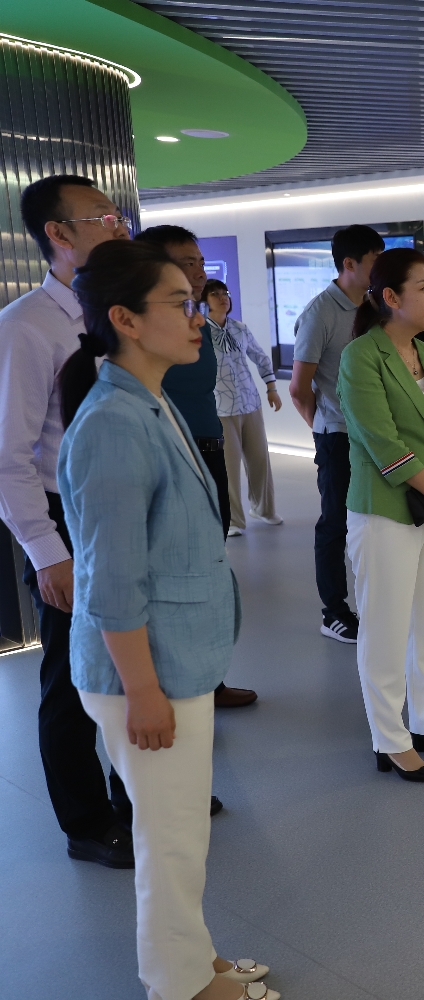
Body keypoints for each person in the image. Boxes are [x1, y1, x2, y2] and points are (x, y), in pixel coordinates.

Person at [59, 239, 278, 1000]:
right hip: (145, 672)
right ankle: (179, 983)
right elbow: (110, 578)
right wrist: (143, 691)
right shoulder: (114, 422)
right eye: (180, 304)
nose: (196, 318)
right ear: (124, 318)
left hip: (174, 658)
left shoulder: (147, 400)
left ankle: (194, 957)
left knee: (180, 828)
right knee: (172, 836)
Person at [0, 174, 134, 867]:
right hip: (65, 514)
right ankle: (87, 822)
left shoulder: (119, 308)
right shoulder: (27, 325)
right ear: (57, 233)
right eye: (102, 216)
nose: (119, 224)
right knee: (74, 673)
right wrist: (47, 553)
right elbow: (8, 457)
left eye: (118, 213)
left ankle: (137, 793)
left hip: (123, 505)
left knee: (133, 658)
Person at [337, 248, 424, 781]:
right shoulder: (361, 356)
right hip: (386, 512)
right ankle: (389, 739)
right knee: (386, 631)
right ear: (390, 297)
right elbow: (381, 442)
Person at [136, 226, 257, 710]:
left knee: (210, 563)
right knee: (173, 573)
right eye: (187, 262)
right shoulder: (145, 329)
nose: (200, 270)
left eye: (201, 261)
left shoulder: (200, 324)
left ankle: (209, 677)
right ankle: (170, 684)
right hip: (171, 454)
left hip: (209, 451)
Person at [290, 224, 385, 644]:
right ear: (349, 264)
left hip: (375, 435)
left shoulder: (374, 305)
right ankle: (334, 611)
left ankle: (374, 600)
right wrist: (325, 428)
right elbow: (299, 388)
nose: (381, 268)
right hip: (338, 436)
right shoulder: (320, 313)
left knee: (373, 519)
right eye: (375, 260)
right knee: (335, 524)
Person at [201, 279, 282, 536]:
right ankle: (234, 520)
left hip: (250, 403)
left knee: (260, 460)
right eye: (215, 294)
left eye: (224, 293)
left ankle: (264, 509)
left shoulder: (240, 328)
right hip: (220, 409)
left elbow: (261, 357)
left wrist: (271, 387)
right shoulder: (200, 332)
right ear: (204, 300)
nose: (222, 297)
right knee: (229, 466)